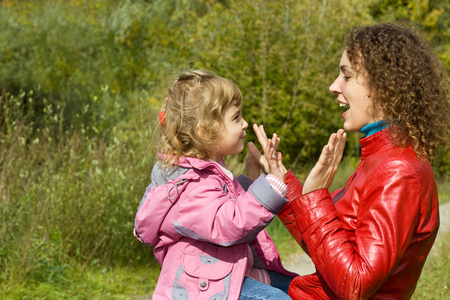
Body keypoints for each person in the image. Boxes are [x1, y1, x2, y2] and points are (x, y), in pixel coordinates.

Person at [249, 23, 449, 299]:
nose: (334, 86)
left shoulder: (398, 171)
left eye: (346, 75)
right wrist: (287, 185)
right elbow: (330, 253)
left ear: (383, 83)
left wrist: (315, 197)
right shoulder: (381, 158)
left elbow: (356, 284)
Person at [133, 70, 297, 299]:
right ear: (205, 131)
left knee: (298, 287)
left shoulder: (206, 172)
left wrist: (250, 178)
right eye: (236, 118)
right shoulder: (191, 183)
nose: (245, 124)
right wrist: (273, 185)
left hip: (221, 274)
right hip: (202, 288)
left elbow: (223, 205)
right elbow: (228, 223)